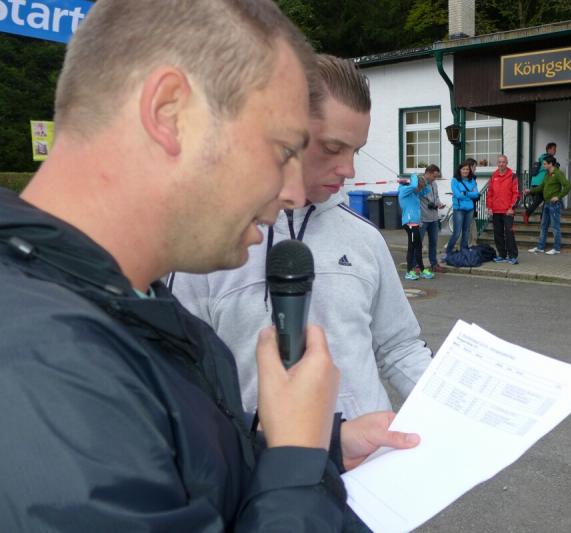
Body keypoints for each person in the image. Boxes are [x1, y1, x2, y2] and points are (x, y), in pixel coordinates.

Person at [0, 1, 418, 529]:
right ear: (169, 113)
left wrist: (323, 446)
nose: (293, 193)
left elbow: (192, 466)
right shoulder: (41, 368)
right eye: (283, 150)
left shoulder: (126, 307)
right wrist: (296, 463)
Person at [173, 55, 433, 425]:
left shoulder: (365, 239)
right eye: (332, 148)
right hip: (264, 456)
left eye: (355, 151)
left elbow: (399, 347)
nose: (349, 169)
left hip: (371, 456)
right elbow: (184, 380)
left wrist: (456, 411)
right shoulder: (205, 248)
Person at [528, 155, 571, 255]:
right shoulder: (547, 175)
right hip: (546, 203)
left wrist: (558, 197)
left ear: (550, 164)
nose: (543, 166)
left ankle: (556, 248)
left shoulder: (558, 173)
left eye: (544, 164)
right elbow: (541, 187)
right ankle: (540, 247)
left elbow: (567, 186)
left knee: (555, 227)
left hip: (554, 204)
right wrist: (530, 191)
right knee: (543, 225)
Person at [400, 168, 435, 280]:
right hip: (409, 224)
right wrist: (414, 175)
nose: (420, 189)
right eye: (419, 187)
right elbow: (414, 185)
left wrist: (425, 182)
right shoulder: (405, 190)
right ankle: (409, 271)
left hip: (415, 224)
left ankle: (422, 270)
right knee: (412, 247)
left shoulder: (415, 193)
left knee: (418, 247)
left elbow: (426, 190)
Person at [486, 154, 520, 264]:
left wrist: (511, 208)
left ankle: (513, 256)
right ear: (497, 163)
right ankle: (502, 255)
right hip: (496, 211)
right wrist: (489, 207)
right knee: (498, 234)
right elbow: (490, 193)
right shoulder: (493, 176)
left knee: (509, 233)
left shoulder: (512, 176)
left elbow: (516, 194)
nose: (501, 164)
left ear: (507, 163)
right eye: (499, 162)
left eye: (503, 162)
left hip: (508, 211)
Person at [445, 161, 480, 259]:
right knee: (457, 233)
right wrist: (469, 194)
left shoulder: (472, 180)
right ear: (460, 170)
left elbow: (476, 194)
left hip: (470, 209)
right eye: (463, 169)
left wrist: (465, 193)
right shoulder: (455, 180)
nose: (465, 171)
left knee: (466, 231)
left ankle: (464, 250)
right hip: (459, 209)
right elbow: (457, 195)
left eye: (467, 169)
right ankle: (448, 251)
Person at [523, 142, 557, 225]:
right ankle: (535, 217)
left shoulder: (542, 157)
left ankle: (535, 217)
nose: (555, 151)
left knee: (541, 200)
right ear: (549, 149)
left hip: (535, 182)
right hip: (540, 183)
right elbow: (550, 169)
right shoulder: (548, 159)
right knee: (543, 200)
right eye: (554, 149)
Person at [420, 166, 445, 273]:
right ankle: (416, 265)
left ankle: (434, 264)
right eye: (434, 176)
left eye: (436, 177)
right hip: (422, 218)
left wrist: (439, 203)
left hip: (434, 218)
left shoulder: (434, 184)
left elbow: (436, 197)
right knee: (418, 243)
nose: (435, 179)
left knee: (433, 243)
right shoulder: (420, 183)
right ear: (428, 173)